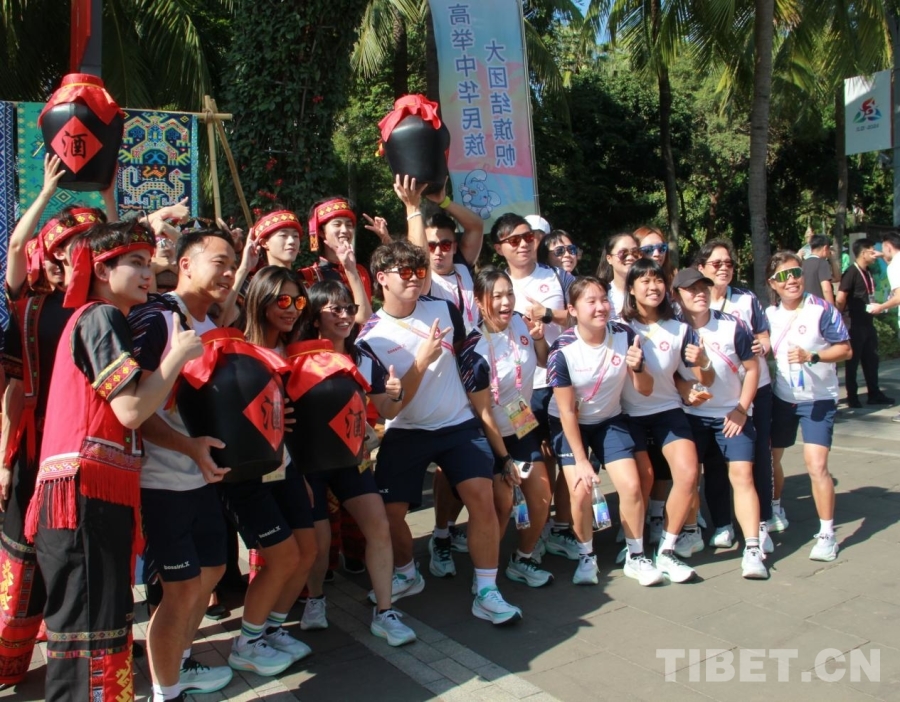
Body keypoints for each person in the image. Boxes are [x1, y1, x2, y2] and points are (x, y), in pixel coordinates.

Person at [24, 220, 202, 702]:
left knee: (99, 626)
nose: (149, 273)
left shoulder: (99, 318)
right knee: (89, 630)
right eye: (137, 263)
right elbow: (131, 410)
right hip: (83, 496)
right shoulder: (101, 316)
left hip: (90, 494)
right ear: (102, 270)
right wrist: (177, 356)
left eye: (149, 262)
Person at [356, 240, 522, 625]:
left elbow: (467, 353)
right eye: (405, 272)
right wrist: (421, 361)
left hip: (458, 425)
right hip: (406, 430)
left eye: (419, 271)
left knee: (482, 498)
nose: (415, 279)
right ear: (381, 278)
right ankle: (406, 574)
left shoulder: (444, 309)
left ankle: (487, 591)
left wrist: (484, 400)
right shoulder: (369, 339)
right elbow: (388, 409)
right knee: (389, 515)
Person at [0, 157, 109, 686]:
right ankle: (9, 662)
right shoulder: (29, 304)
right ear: (53, 251)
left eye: (86, 244)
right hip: (33, 447)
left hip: (82, 451)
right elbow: (13, 391)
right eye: (68, 244)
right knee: (20, 561)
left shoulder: (100, 308)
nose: (77, 252)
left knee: (74, 558)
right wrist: (3, 461)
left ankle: (85, 666)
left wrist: (107, 198)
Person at [128, 229, 241, 699]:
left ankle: (180, 661)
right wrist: (186, 447)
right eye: (220, 262)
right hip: (159, 480)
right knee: (179, 588)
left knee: (212, 571)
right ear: (185, 264)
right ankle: (166, 690)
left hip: (201, 479)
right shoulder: (156, 319)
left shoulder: (212, 325)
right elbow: (133, 409)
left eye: (233, 263)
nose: (229, 272)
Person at [548, 276, 663, 586]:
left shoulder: (625, 335)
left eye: (603, 299)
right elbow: (567, 411)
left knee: (632, 485)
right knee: (580, 489)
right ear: (573, 310)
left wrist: (638, 368)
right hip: (569, 424)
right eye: (591, 301)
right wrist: (581, 460)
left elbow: (645, 389)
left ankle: (636, 556)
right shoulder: (562, 351)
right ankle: (586, 557)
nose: (601, 307)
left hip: (609, 420)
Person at [457, 268, 553, 587]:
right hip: (487, 435)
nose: (505, 302)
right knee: (502, 503)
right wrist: (505, 459)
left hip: (520, 422)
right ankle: (486, 578)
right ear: (479, 301)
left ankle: (522, 559)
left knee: (541, 496)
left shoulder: (522, 322)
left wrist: (538, 339)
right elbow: (483, 413)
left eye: (509, 293)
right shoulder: (472, 347)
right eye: (496, 296)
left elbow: (543, 361)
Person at [620, 259, 713, 583]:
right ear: (631, 289)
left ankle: (667, 550)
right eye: (644, 281)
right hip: (627, 414)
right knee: (640, 481)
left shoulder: (680, 328)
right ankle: (634, 552)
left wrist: (704, 363)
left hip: (668, 411)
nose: (653, 287)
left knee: (688, 474)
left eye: (658, 280)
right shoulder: (618, 327)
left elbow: (702, 379)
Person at [491, 213, 576, 562]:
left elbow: (585, 311)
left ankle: (556, 528)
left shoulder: (557, 275)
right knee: (532, 463)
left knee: (562, 457)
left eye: (529, 237)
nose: (524, 244)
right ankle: (528, 537)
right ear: (500, 248)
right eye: (514, 240)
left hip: (557, 382)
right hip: (516, 397)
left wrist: (548, 315)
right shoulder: (494, 284)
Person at [672, 268, 767, 580]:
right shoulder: (672, 329)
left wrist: (741, 409)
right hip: (690, 417)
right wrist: (684, 388)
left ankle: (752, 548)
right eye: (691, 289)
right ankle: (690, 533)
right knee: (687, 477)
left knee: (742, 475)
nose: (699, 293)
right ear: (677, 296)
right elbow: (667, 373)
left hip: (730, 414)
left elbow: (752, 369)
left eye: (704, 287)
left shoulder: (732, 325)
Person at [766, 253, 852, 561]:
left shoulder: (821, 309)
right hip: (783, 398)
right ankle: (775, 508)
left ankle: (827, 534)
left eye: (796, 272)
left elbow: (846, 349)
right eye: (783, 275)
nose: (791, 279)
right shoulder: (768, 314)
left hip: (818, 399)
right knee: (772, 458)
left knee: (816, 466)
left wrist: (813, 356)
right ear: (772, 283)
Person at [695, 240, 778, 547]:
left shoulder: (746, 298)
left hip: (754, 390)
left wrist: (762, 346)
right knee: (715, 462)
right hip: (714, 398)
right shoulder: (693, 302)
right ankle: (723, 523)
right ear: (701, 268)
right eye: (716, 264)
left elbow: (764, 336)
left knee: (757, 457)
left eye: (728, 263)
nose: (724, 269)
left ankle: (762, 522)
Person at [836, 238, 894, 407]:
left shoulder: (868, 271)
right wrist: (838, 318)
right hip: (854, 324)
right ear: (863, 253)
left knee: (871, 360)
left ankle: (874, 393)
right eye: (871, 251)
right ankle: (852, 396)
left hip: (868, 322)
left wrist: (882, 255)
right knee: (853, 362)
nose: (875, 254)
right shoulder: (851, 272)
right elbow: (841, 298)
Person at [867, 232, 900, 422]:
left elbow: (899, 296)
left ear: (887, 246)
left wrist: (881, 307)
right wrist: (883, 256)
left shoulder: (895, 266)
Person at [596, 233, 641, 317]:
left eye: (635, 252)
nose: (630, 257)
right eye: (623, 253)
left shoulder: (647, 291)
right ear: (609, 259)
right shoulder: (602, 294)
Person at [801, 235, 835, 304]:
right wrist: (832, 308)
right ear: (825, 248)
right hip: (819, 305)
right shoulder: (822, 263)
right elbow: (826, 289)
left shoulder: (802, 264)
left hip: (805, 304)